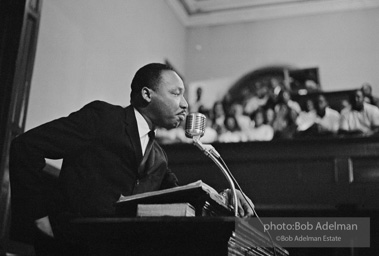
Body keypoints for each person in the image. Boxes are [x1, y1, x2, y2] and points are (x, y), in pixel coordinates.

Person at [9, 63, 254, 255]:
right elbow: (26, 147)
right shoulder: (102, 119)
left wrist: (225, 195)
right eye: (176, 93)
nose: (185, 104)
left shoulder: (159, 156)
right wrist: (38, 218)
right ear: (147, 94)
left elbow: (183, 196)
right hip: (70, 245)